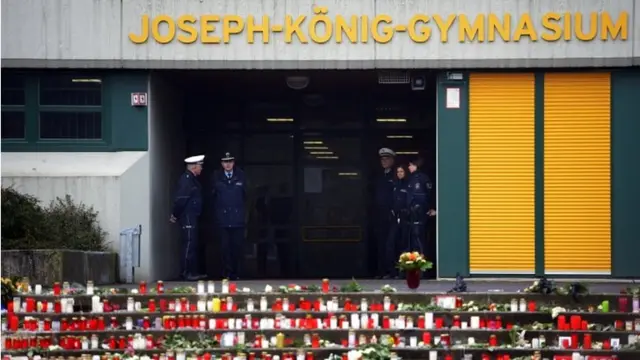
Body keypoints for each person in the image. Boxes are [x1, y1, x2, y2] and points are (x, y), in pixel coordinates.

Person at [170, 154, 207, 281]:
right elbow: (181, 199)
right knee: (189, 244)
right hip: (187, 215)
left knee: (193, 244)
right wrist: (175, 214)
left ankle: (193, 271)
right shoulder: (186, 180)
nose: (201, 168)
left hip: (193, 215)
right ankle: (186, 272)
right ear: (194, 167)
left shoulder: (192, 179)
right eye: (200, 166)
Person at [212, 152, 246, 280]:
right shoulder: (216, 176)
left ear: (233, 163)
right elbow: (213, 197)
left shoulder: (241, 175)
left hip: (237, 219)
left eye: (230, 161)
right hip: (223, 219)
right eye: (225, 162)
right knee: (224, 248)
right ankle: (226, 273)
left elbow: (246, 196)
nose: (228, 164)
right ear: (222, 163)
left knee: (236, 247)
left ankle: (236, 273)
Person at [384, 164, 410, 279]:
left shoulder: (408, 185)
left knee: (403, 245)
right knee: (391, 245)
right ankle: (392, 271)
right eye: (398, 172)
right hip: (394, 219)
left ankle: (403, 271)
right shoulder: (393, 185)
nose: (399, 174)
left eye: (402, 171)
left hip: (405, 219)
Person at [374, 147, 396, 278]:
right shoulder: (379, 175)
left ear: (392, 160)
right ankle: (381, 271)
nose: (384, 161)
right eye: (382, 159)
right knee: (381, 244)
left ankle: (391, 271)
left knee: (391, 245)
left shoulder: (396, 175)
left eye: (387, 159)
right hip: (380, 215)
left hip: (392, 215)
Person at [407, 157, 433, 253]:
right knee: (412, 239)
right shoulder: (410, 178)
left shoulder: (422, 178)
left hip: (420, 214)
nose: (408, 167)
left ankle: (421, 263)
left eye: (410, 165)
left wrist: (429, 208)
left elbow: (428, 195)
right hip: (411, 215)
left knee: (419, 239)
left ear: (415, 166)